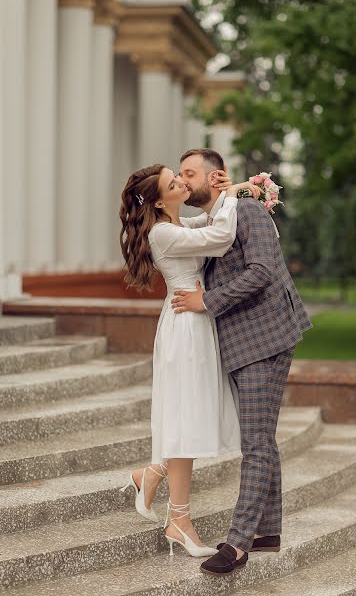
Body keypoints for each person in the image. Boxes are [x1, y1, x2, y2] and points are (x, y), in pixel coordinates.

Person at [171, 148, 313, 576]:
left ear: (215, 177)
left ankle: (237, 544)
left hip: (265, 338)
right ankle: (268, 529)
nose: (183, 180)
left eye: (189, 173)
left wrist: (205, 301)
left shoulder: (247, 211)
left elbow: (261, 272)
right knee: (262, 438)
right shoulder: (219, 216)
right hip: (242, 342)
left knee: (255, 442)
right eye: (179, 174)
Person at [119, 163, 262, 558]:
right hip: (185, 328)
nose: (182, 181)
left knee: (191, 415)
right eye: (173, 182)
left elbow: (211, 217)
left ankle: (156, 480)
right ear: (161, 200)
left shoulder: (178, 225)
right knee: (186, 416)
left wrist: (242, 187)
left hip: (196, 323)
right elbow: (220, 235)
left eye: (180, 175)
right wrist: (232, 198)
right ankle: (177, 517)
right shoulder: (162, 233)